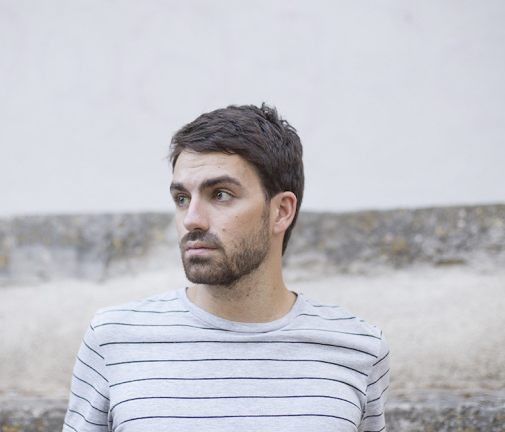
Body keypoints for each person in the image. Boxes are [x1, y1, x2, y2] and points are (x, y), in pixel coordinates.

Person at [63, 104, 390, 432]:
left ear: (281, 212)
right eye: (181, 198)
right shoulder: (113, 340)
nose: (192, 219)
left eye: (220, 195)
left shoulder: (358, 349)